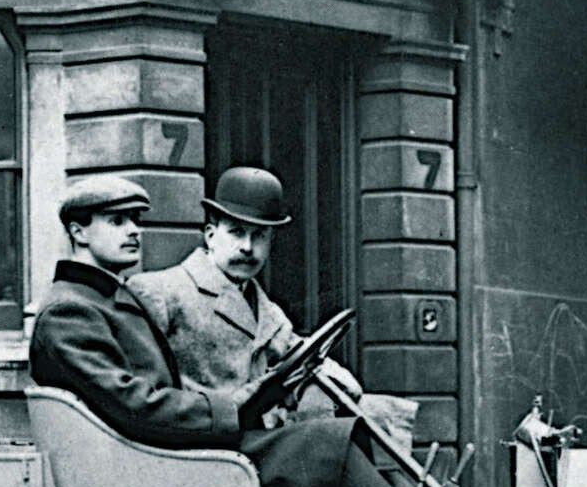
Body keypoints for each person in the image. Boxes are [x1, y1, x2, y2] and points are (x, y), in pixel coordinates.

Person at [28, 174, 523, 487]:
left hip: (168, 454)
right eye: (117, 222)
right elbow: (136, 405)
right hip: (162, 467)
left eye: (136, 221)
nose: (135, 232)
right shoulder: (73, 311)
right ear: (78, 231)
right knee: (325, 446)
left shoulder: (104, 299)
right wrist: (236, 406)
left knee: (339, 437)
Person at [128, 166, 418, 451]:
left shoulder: (270, 314)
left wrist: (337, 384)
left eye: (259, 236)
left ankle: (412, 481)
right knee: (334, 444)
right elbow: (144, 397)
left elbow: (304, 355)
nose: (247, 247)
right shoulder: (163, 291)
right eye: (236, 232)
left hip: (254, 441)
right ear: (211, 235)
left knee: (372, 414)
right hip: (204, 447)